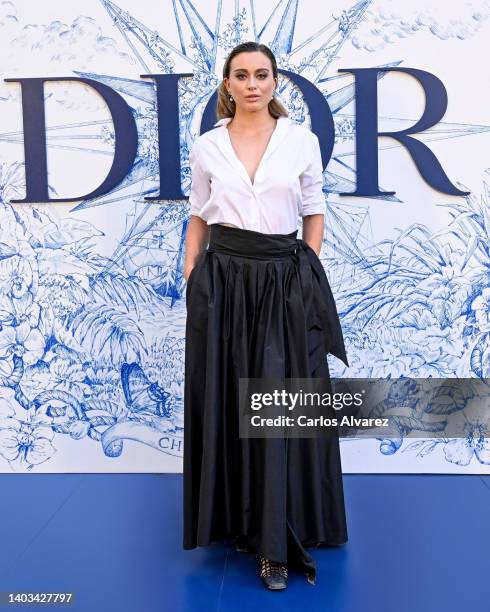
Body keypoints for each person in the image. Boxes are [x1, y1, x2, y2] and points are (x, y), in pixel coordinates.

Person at [182, 41, 349, 591]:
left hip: (282, 279)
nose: (252, 83)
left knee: (278, 404)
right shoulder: (207, 146)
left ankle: (277, 542)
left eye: (262, 74)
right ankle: (236, 521)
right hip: (224, 282)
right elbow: (198, 217)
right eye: (241, 75)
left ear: (276, 82)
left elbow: (313, 209)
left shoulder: (301, 141)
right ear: (226, 84)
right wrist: (191, 277)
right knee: (230, 398)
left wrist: (306, 272)